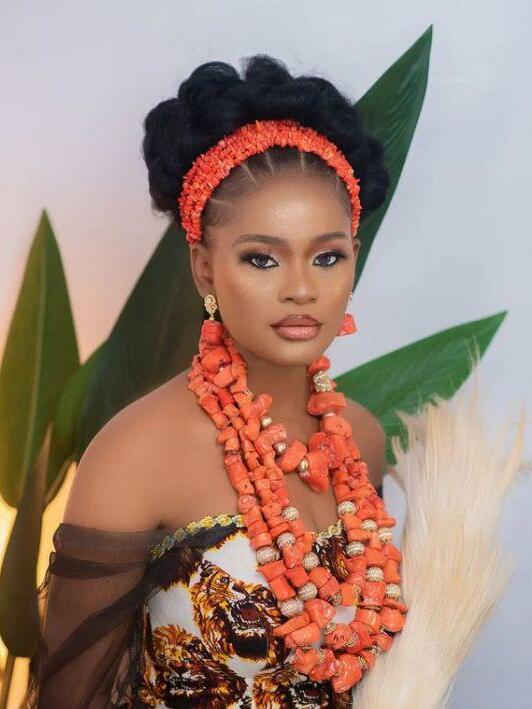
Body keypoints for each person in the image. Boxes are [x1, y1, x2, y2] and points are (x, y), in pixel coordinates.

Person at [27, 54, 402, 708]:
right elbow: (71, 698)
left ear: (353, 259)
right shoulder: (136, 454)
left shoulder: (360, 441)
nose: (302, 288)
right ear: (204, 268)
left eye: (327, 256)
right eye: (262, 258)